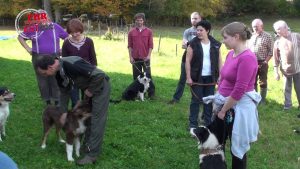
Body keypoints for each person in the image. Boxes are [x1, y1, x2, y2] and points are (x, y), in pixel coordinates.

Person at [35, 56, 110, 165]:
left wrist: (90, 91)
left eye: (44, 73)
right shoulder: (58, 72)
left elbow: (99, 75)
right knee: (87, 120)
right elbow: (64, 92)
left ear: (50, 67)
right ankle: (87, 146)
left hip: (100, 86)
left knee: (96, 120)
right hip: (88, 88)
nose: (45, 76)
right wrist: (64, 112)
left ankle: (92, 155)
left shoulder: (71, 64)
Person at [218, 22, 261, 169]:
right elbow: (224, 77)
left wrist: (223, 110)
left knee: (237, 150)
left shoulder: (248, 58)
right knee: (217, 143)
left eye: (225, 37)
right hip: (223, 105)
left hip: (238, 109)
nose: (223, 41)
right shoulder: (231, 53)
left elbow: (239, 89)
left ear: (236, 37)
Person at [18, 9, 68, 106]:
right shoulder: (33, 28)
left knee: (55, 78)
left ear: (47, 17)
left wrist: (63, 49)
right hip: (38, 57)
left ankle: (57, 100)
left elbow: (66, 37)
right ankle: (47, 101)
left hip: (54, 56)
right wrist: (28, 48)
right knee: (42, 79)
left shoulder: (56, 27)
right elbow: (20, 37)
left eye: (43, 17)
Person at [185, 20, 222, 131]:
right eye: (197, 30)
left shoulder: (215, 44)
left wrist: (221, 76)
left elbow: (220, 60)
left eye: (201, 30)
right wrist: (188, 77)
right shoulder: (193, 44)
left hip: (211, 78)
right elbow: (187, 61)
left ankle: (208, 124)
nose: (198, 32)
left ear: (207, 31)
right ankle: (192, 125)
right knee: (196, 101)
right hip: (197, 77)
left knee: (208, 101)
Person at [62, 18, 97, 107]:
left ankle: (87, 119)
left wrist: (93, 73)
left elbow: (93, 59)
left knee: (87, 100)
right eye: (71, 32)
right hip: (72, 77)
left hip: (86, 76)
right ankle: (75, 120)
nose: (74, 34)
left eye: (76, 32)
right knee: (75, 102)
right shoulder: (66, 43)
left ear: (80, 30)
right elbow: (64, 61)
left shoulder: (89, 41)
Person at [168, 12, 201, 104]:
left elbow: (204, 45)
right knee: (182, 79)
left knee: (199, 80)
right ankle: (176, 99)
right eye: (192, 18)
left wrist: (189, 44)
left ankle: (199, 100)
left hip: (199, 59)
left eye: (196, 18)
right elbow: (183, 45)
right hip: (186, 58)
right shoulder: (187, 31)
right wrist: (194, 46)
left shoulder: (204, 30)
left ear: (200, 19)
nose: (194, 20)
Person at [273, 20, 300, 111]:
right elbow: (275, 58)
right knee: (286, 89)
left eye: (278, 30)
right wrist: (276, 72)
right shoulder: (277, 42)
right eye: (276, 30)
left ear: (285, 28)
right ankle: (287, 106)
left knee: (299, 88)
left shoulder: (297, 36)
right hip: (285, 70)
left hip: (298, 69)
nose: (277, 32)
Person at [128, 13, 155, 99]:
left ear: (143, 21)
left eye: (141, 20)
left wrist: (149, 56)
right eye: (137, 20)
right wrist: (130, 57)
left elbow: (151, 45)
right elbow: (130, 46)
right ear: (135, 21)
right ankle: (136, 94)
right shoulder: (131, 32)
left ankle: (151, 94)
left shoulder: (149, 31)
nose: (139, 22)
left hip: (145, 58)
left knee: (148, 77)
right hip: (135, 58)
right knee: (137, 78)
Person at [248, 18, 273, 105]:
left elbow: (271, 51)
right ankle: (255, 99)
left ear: (261, 26)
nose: (254, 28)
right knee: (252, 81)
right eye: (253, 27)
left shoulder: (268, 36)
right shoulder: (251, 36)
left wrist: (266, 61)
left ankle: (262, 100)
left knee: (263, 81)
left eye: (256, 27)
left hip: (262, 62)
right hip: (251, 62)